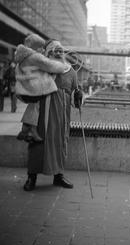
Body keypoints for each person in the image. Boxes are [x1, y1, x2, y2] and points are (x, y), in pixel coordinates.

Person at [23, 39, 83, 191]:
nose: (58, 52)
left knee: (60, 143)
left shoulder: (71, 71)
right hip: (42, 113)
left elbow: (75, 95)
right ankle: (32, 177)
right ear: (48, 53)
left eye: (60, 50)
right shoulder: (41, 69)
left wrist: (78, 96)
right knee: (38, 144)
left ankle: (58, 176)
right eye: (54, 50)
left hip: (63, 117)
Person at [14, 34, 68, 142]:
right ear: (35, 48)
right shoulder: (35, 57)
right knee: (37, 104)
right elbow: (49, 65)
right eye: (40, 48)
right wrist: (62, 66)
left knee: (35, 105)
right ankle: (31, 130)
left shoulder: (22, 57)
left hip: (26, 88)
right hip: (34, 87)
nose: (42, 50)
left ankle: (26, 129)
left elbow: (18, 72)